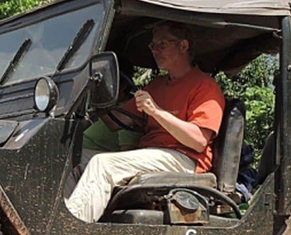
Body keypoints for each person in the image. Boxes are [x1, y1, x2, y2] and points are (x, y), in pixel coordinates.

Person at [65, 21, 226, 223]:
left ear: (183, 46)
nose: (155, 50)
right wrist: (93, 94)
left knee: (102, 164)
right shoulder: (156, 85)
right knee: (74, 161)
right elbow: (117, 121)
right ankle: (57, 222)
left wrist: (156, 111)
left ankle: (70, 231)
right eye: (152, 46)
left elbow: (198, 141)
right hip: (153, 154)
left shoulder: (205, 86)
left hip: (184, 160)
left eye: (162, 44)